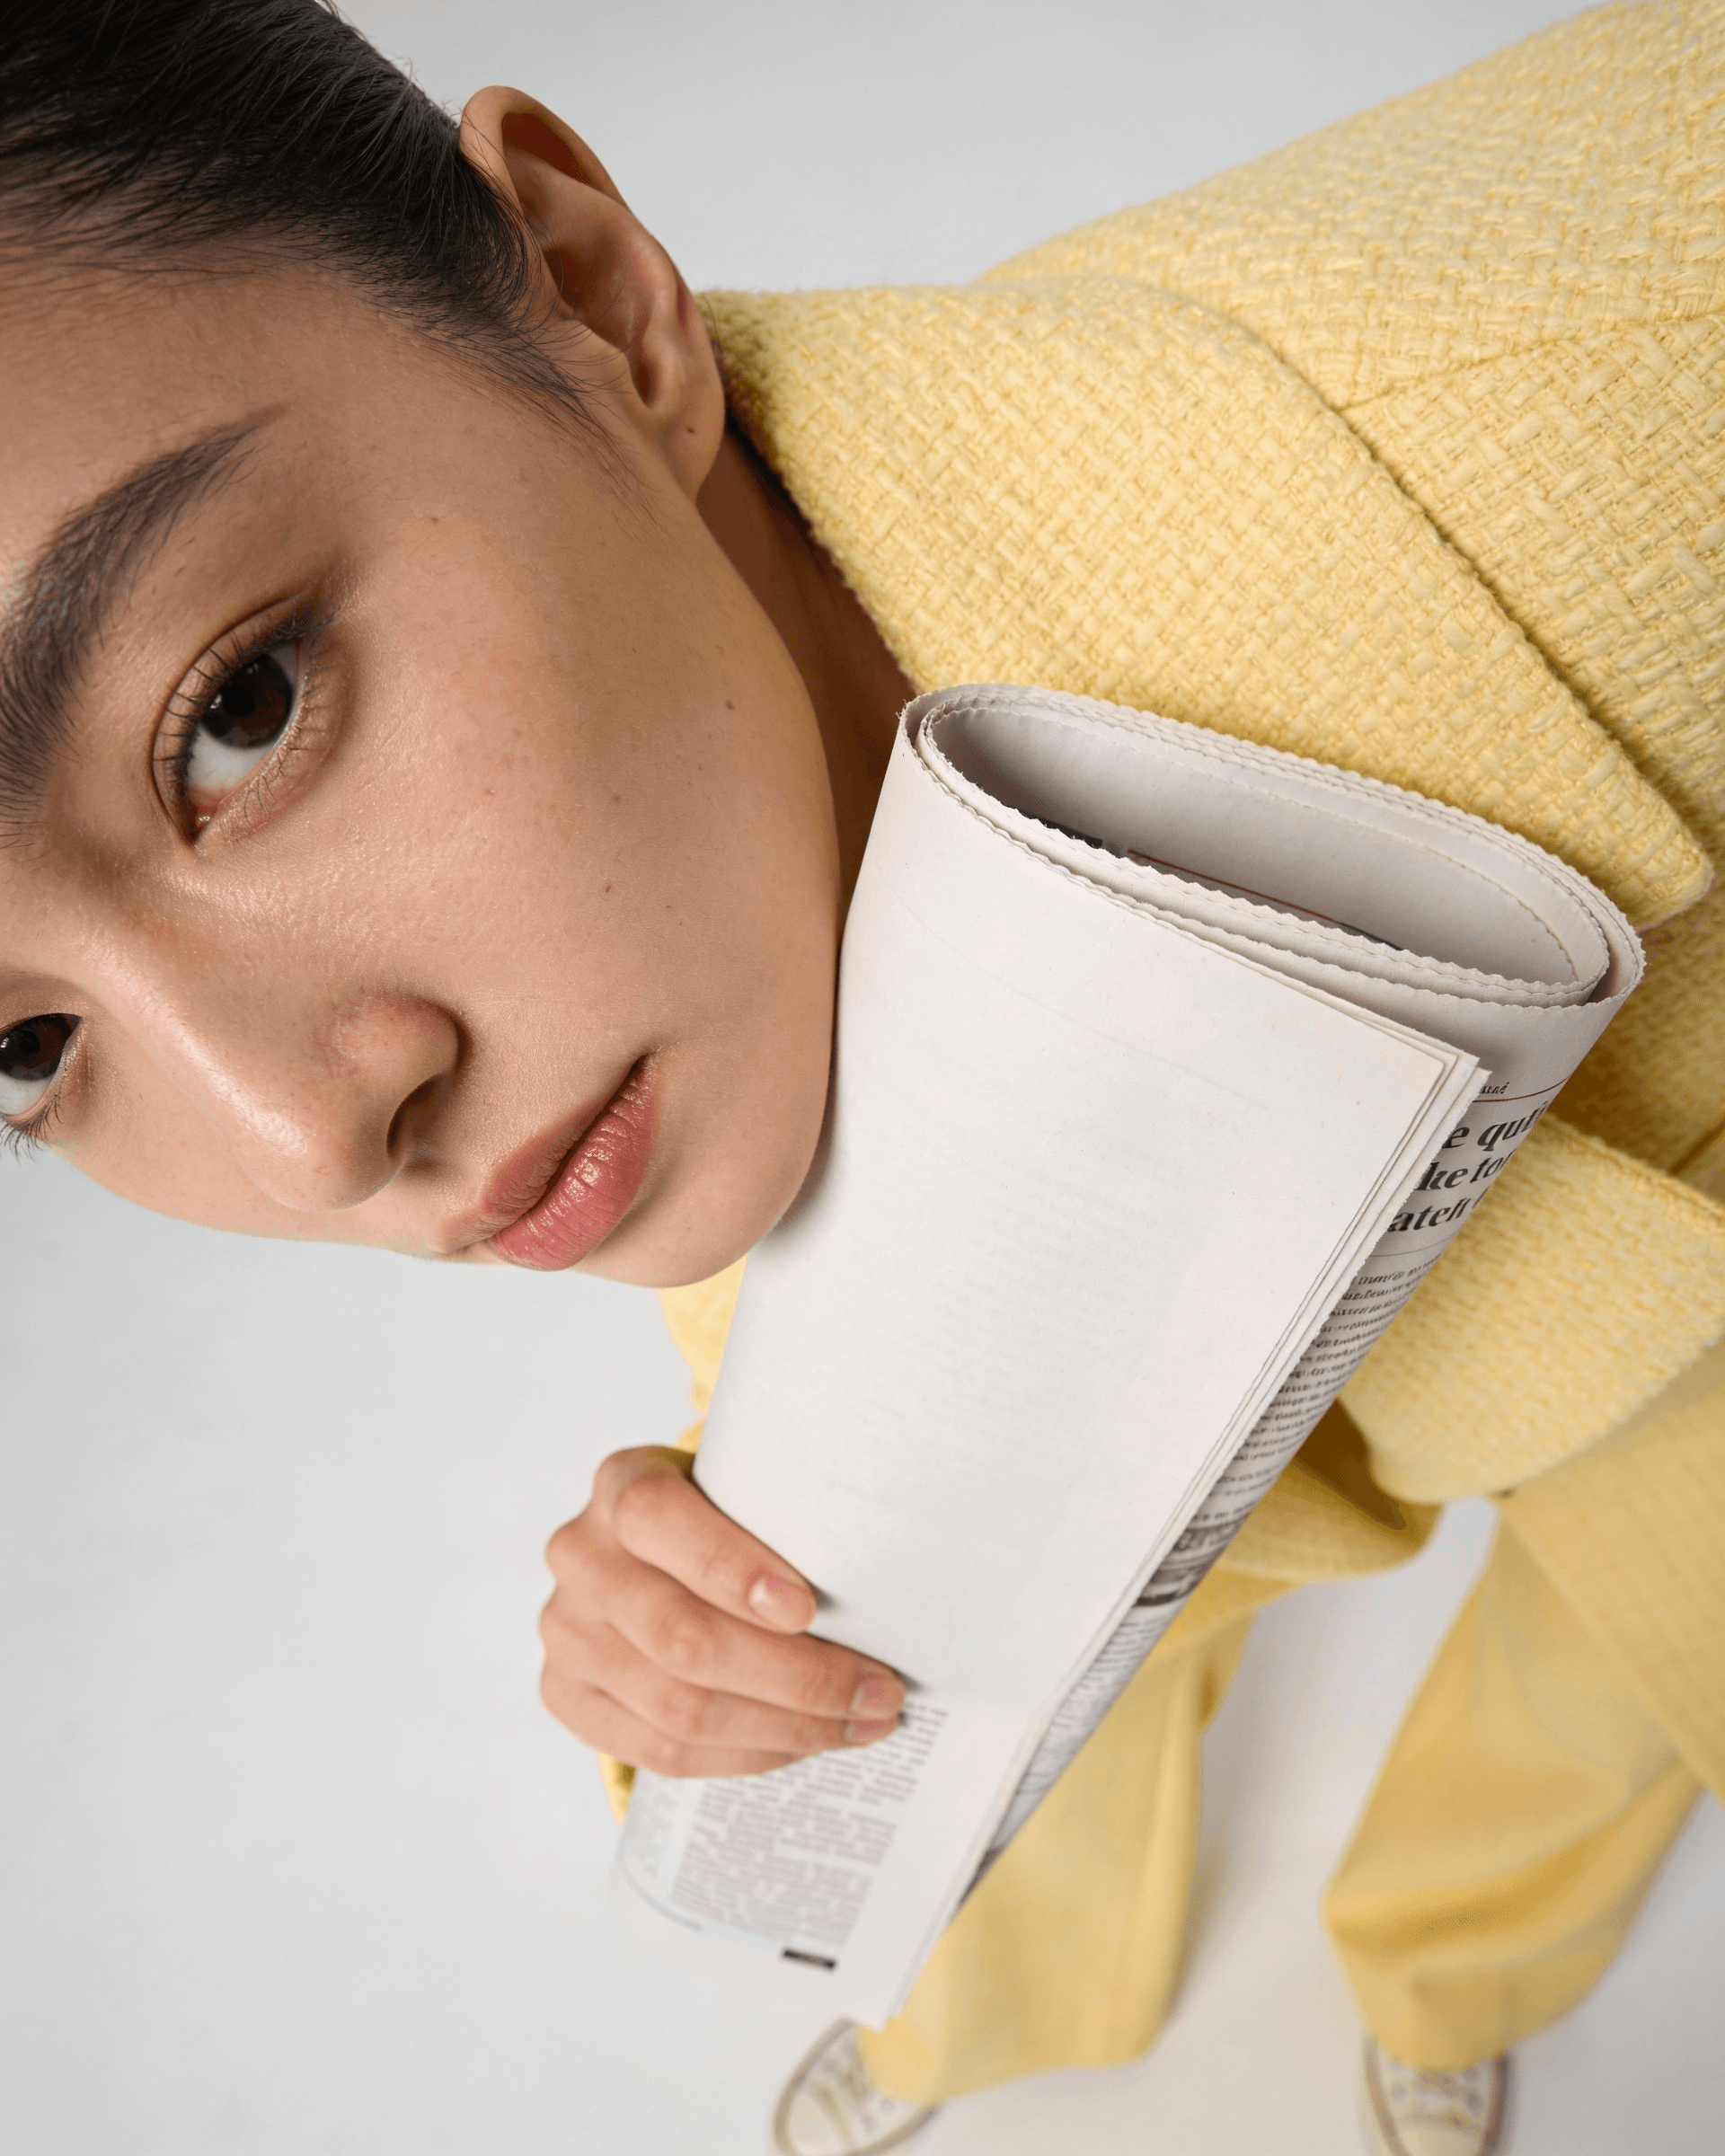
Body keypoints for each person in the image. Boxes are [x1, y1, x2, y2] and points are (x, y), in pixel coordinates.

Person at [2, 3, 1721, 2152]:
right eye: (24, 1047)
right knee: (931, 1670)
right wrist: (710, 1636)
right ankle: (953, 2033)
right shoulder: (659, 957)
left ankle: (1456, 1972)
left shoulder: (1666, 363)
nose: (303, 1135)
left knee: (1621, 1683)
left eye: (237, 710)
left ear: (600, 301)